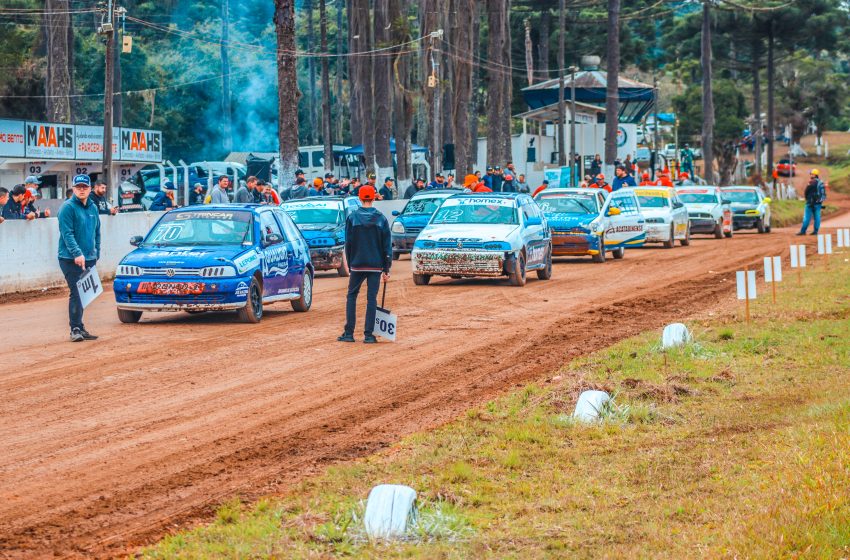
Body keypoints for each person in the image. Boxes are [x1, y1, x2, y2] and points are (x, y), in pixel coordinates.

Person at [338, 184, 392, 344]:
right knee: (371, 299)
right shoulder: (381, 218)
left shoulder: (353, 218)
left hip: (357, 264)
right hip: (375, 265)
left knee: (351, 296)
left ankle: (349, 333)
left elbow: (348, 243)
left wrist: (349, 262)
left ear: (360, 198)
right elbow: (387, 246)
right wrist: (386, 268)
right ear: (374, 197)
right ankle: (369, 335)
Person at [57, 174, 101, 342]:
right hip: (69, 258)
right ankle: (75, 329)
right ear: (73, 189)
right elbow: (67, 234)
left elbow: (97, 232)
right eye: (78, 187)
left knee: (84, 294)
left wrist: (97, 252)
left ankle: (80, 327)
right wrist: (77, 253)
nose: (82, 190)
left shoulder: (93, 208)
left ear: (90, 189)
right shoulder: (67, 207)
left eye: (85, 187)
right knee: (76, 292)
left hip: (89, 257)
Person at [798, 169, 826, 235]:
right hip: (818, 203)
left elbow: (806, 192)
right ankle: (815, 232)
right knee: (817, 217)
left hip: (810, 203)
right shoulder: (821, 182)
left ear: (814, 174)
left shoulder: (811, 182)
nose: (810, 175)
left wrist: (806, 199)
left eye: (811, 174)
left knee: (807, 217)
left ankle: (803, 231)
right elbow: (823, 193)